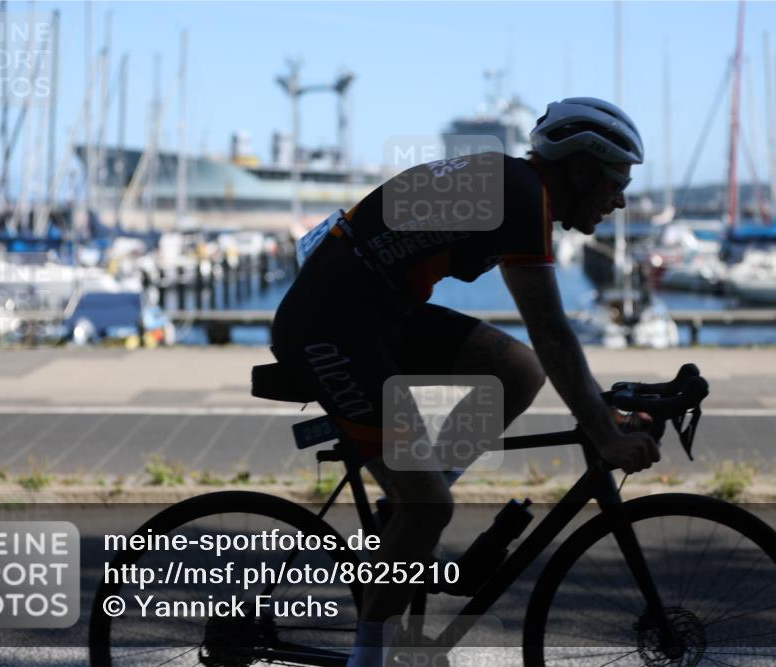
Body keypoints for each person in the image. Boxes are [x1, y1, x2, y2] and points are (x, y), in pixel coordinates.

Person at [270, 97, 660, 666]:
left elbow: (544, 351)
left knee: (516, 370)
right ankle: (369, 655)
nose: (621, 197)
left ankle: (410, 500)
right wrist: (603, 432)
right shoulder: (519, 195)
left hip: (374, 316)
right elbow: (552, 328)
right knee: (430, 508)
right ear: (579, 169)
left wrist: (600, 413)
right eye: (616, 180)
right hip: (331, 328)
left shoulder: (515, 188)